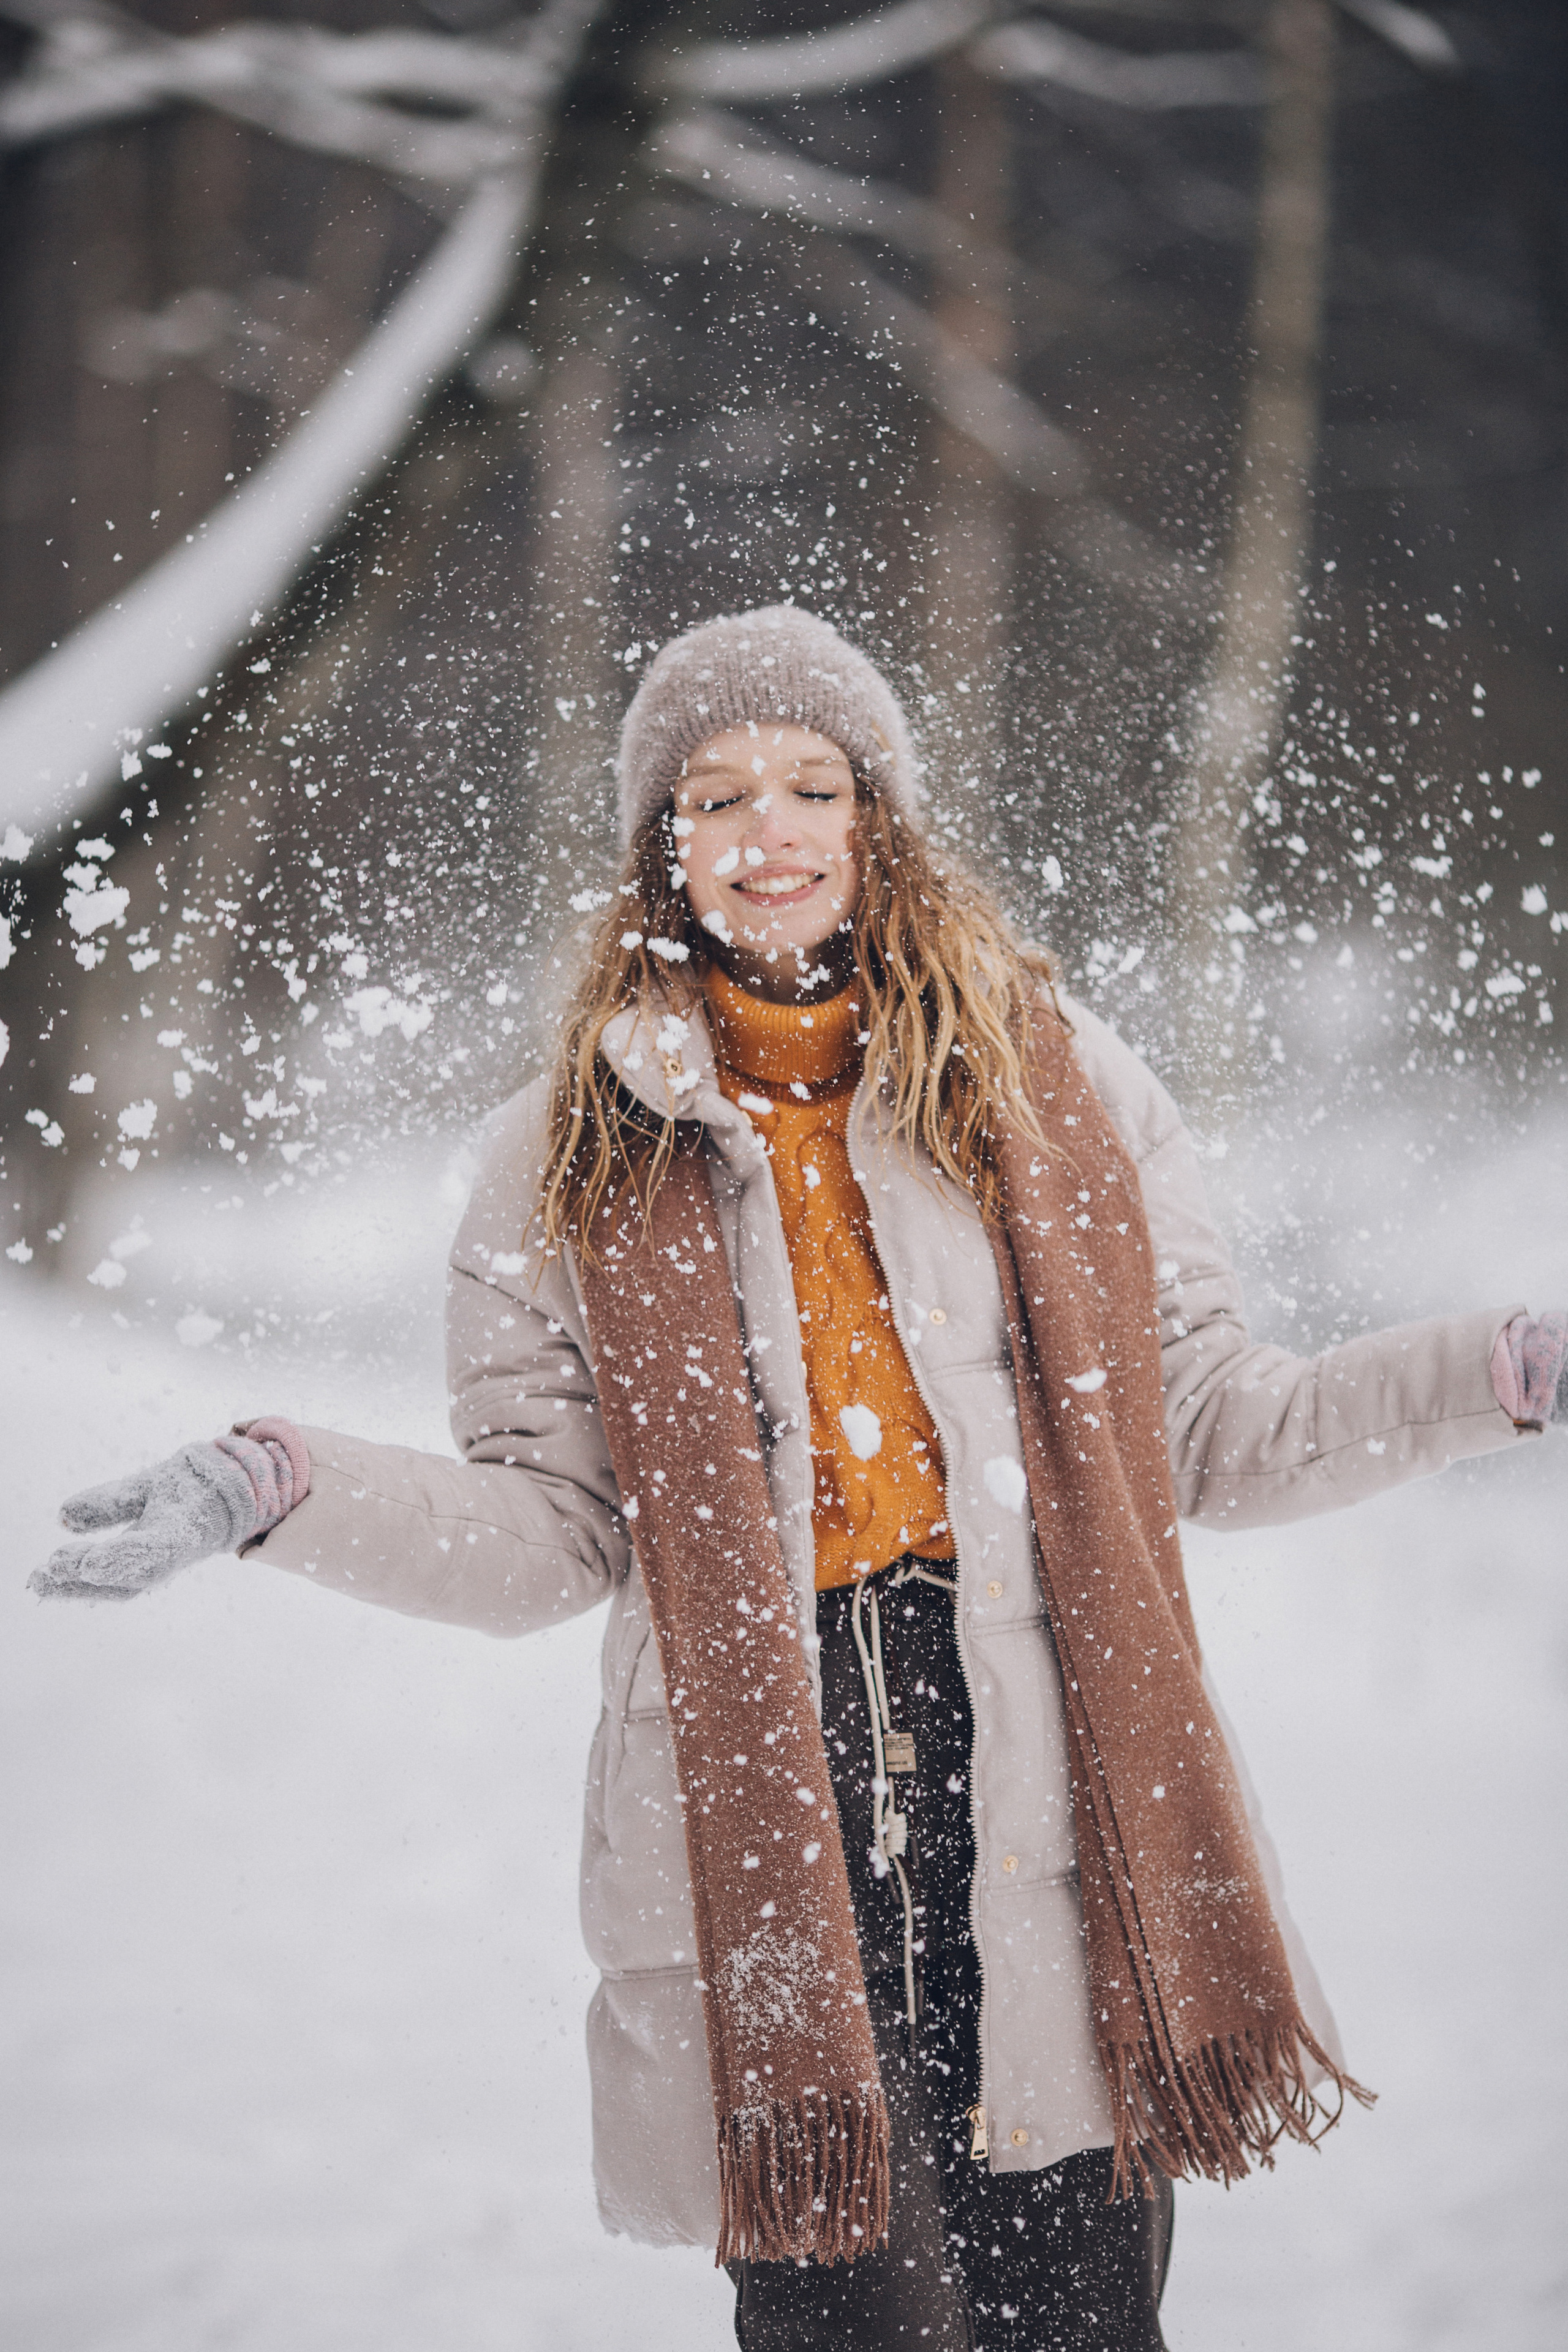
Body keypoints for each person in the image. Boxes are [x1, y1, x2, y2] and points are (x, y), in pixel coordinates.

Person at [32, 606, 1568, 2351]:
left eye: (811, 787)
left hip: (1045, 1774)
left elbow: (1211, 1428)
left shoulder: (1056, 1089)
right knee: (848, 2319)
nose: (768, 833)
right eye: (716, 795)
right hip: (762, 1792)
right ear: (660, 847)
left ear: (875, 821)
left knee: (1079, 2312)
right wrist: (277, 1486)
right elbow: (549, 1532)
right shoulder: (559, 1154)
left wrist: (1505, 1372)